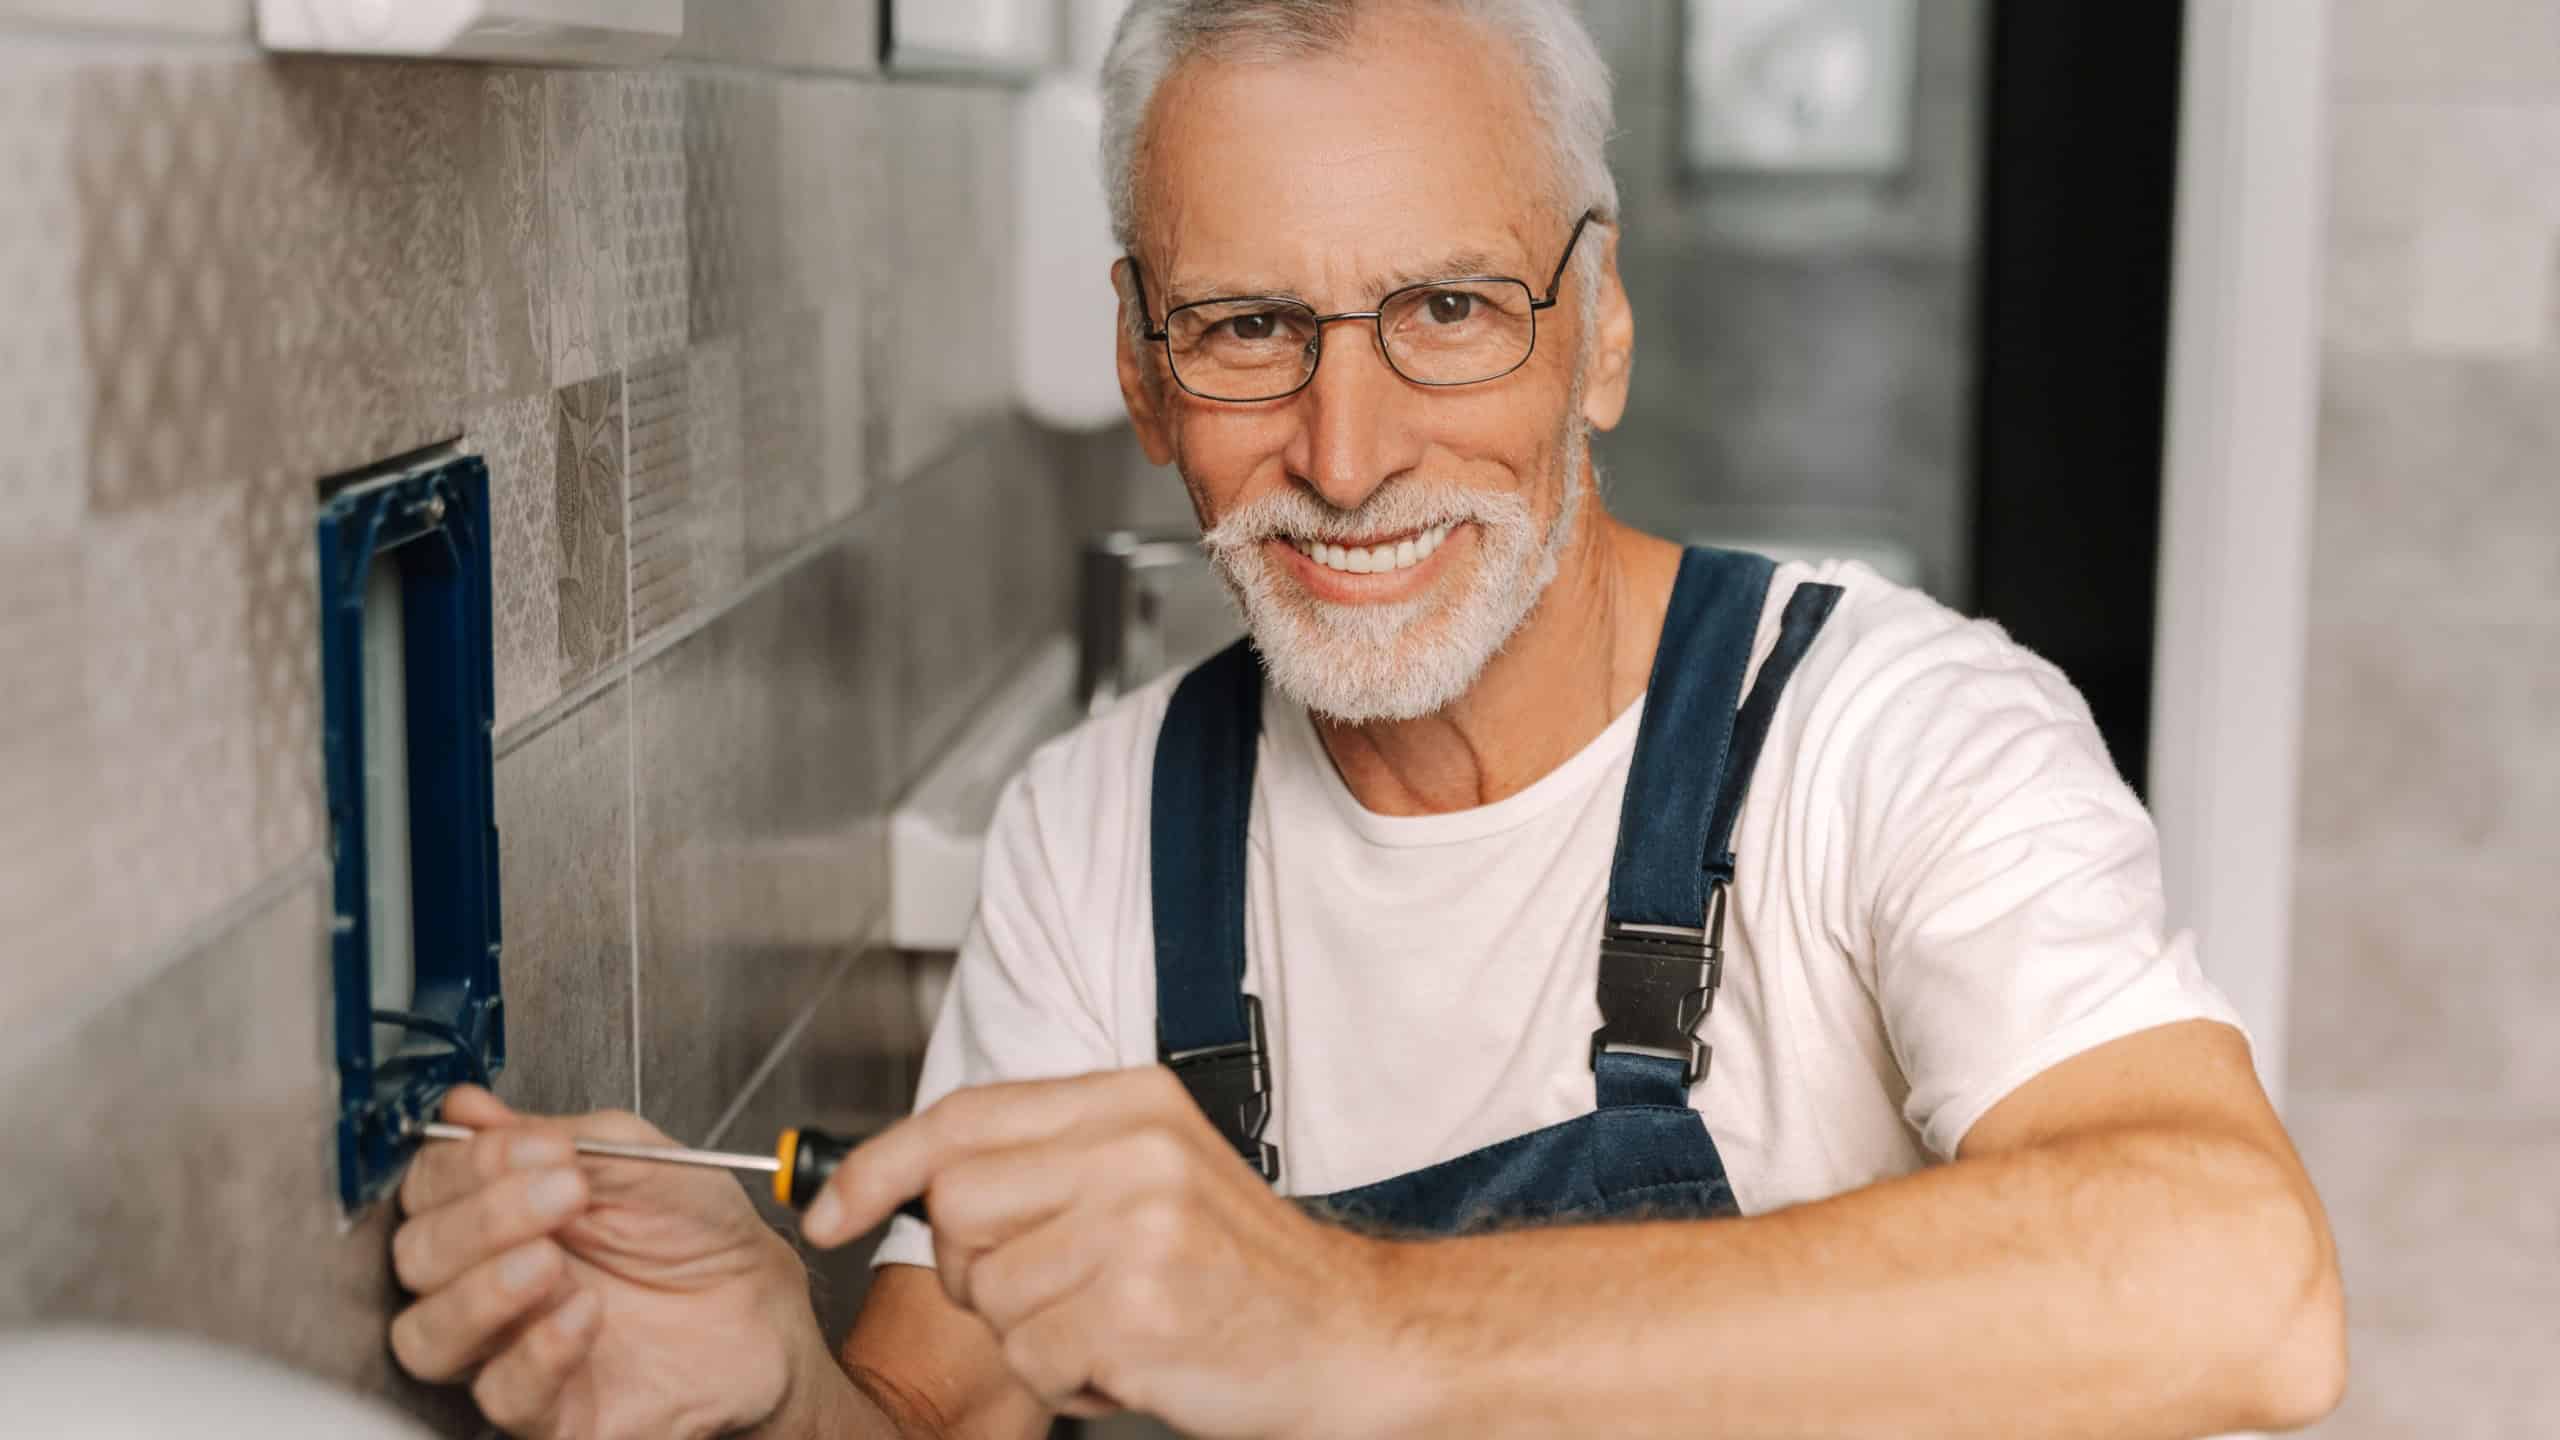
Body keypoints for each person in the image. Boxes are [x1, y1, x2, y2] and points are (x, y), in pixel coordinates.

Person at [387, 2, 2348, 1435]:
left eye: (1446, 310)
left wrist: (1356, 1324)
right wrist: (771, 1396)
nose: (1343, 452)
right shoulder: (1100, 835)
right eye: (1247, 331)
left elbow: (2239, 1287)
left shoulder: (1893, 735)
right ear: (1144, 379)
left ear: (1594, 337)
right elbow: (933, 1415)